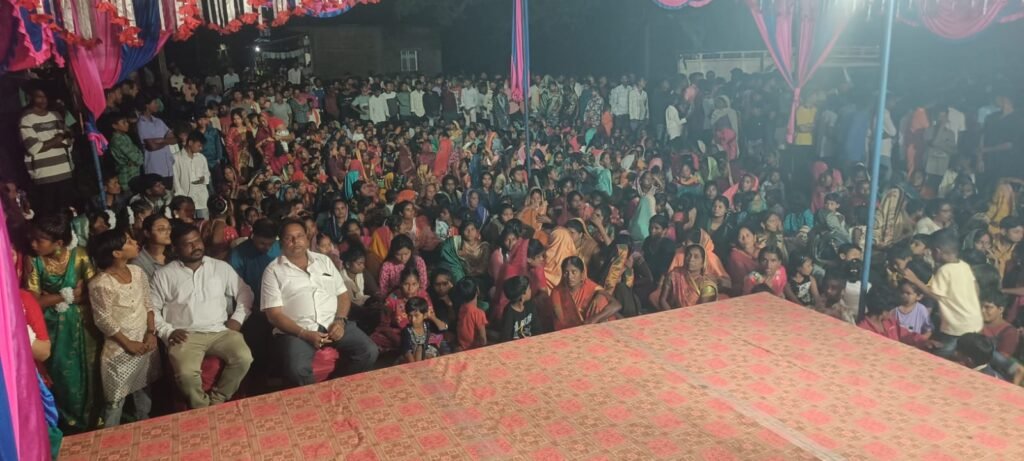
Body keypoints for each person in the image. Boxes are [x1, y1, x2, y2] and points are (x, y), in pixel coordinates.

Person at [261, 219, 379, 387]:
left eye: (299, 236)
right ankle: (314, 397)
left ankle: (337, 387)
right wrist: (304, 333)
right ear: (281, 242)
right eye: (289, 238)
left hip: (333, 323)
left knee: (369, 351)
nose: (296, 241)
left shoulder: (324, 261)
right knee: (297, 369)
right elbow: (274, 315)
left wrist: (340, 320)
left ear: (307, 238)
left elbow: (343, 295)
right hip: (298, 330)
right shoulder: (273, 271)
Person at [151, 222, 254, 408]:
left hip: (220, 331)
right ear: (175, 248)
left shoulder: (220, 267)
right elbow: (152, 309)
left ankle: (218, 399)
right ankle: (201, 407)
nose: (195, 246)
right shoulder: (164, 275)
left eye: (197, 241)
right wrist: (168, 331)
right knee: (186, 374)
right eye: (188, 244)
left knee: (244, 358)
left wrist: (237, 319)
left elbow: (245, 292)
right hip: (185, 335)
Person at [27, 213, 99, 432]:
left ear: (58, 243)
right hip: (54, 328)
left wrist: (71, 297)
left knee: (89, 370)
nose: (33, 244)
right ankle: (68, 423)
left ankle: (93, 418)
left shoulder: (80, 256)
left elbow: (95, 291)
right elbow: (32, 302)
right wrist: (65, 296)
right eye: (33, 238)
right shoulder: (34, 260)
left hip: (84, 325)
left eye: (39, 240)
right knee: (62, 374)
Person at [87, 230, 160, 427]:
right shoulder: (101, 283)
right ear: (116, 253)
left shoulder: (137, 272)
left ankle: (145, 427)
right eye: (128, 241)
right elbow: (103, 320)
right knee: (115, 400)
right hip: (120, 348)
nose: (135, 242)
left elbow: (148, 304)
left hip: (144, 341)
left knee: (144, 389)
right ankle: (110, 438)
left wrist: (151, 333)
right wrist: (128, 343)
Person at [902, 229, 981, 359]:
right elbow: (976, 287)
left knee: (941, 357)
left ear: (937, 251)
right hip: (974, 321)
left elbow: (934, 295)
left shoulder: (944, 270)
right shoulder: (964, 266)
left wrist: (915, 280)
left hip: (956, 325)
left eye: (931, 251)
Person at [19, 88, 76, 214]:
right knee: (49, 214)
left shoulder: (56, 115)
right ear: (31, 98)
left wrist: (46, 143)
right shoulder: (26, 119)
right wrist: (58, 139)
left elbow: (68, 141)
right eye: (39, 97)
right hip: (44, 175)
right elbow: (33, 148)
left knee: (65, 212)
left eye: (45, 97)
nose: (43, 100)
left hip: (64, 172)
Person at [548, 256, 621, 330]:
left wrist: (594, 319)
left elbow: (616, 305)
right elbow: (561, 321)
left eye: (574, 272)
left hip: (592, 326)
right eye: (566, 272)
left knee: (601, 300)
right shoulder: (558, 292)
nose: (570, 276)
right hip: (571, 329)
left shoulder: (589, 286)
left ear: (582, 274)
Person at [136, 94, 178, 181]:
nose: (157, 105)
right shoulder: (141, 124)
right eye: (154, 102)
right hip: (154, 169)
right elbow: (152, 146)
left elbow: (174, 139)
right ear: (147, 105)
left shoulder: (159, 121)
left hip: (168, 168)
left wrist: (160, 141)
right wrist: (166, 141)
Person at [173, 131, 211, 219]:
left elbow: (207, 174)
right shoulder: (176, 158)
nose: (200, 148)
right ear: (190, 143)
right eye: (199, 146)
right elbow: (175, 180)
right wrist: (181, 198)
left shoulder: (201, 158)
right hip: (186, 200)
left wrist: (203, 179)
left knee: (204, 223)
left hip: (201, 199)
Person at [401, 297, 448, 363]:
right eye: (410, 316)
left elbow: (443, 328)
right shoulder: (406, 331)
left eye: (416, 316)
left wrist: (431, 317)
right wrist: (414, 365)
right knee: (419, 348)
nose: (413, 319)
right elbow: (407, 352)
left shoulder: (427, 325)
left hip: (426, 352)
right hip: (413, 357)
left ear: (425, 315)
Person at [454, 278, 488, 350]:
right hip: (472, 349)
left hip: (461, 346)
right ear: (477, 291)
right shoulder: (478, 313)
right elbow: (483, 340)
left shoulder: (461, 308)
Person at [501, 275, 538, 341]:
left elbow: (537, 328)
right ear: (522, 294)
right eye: (529, 288)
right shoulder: (509, 313)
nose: (530, 290)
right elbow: (506, 338)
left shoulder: (530, 305)